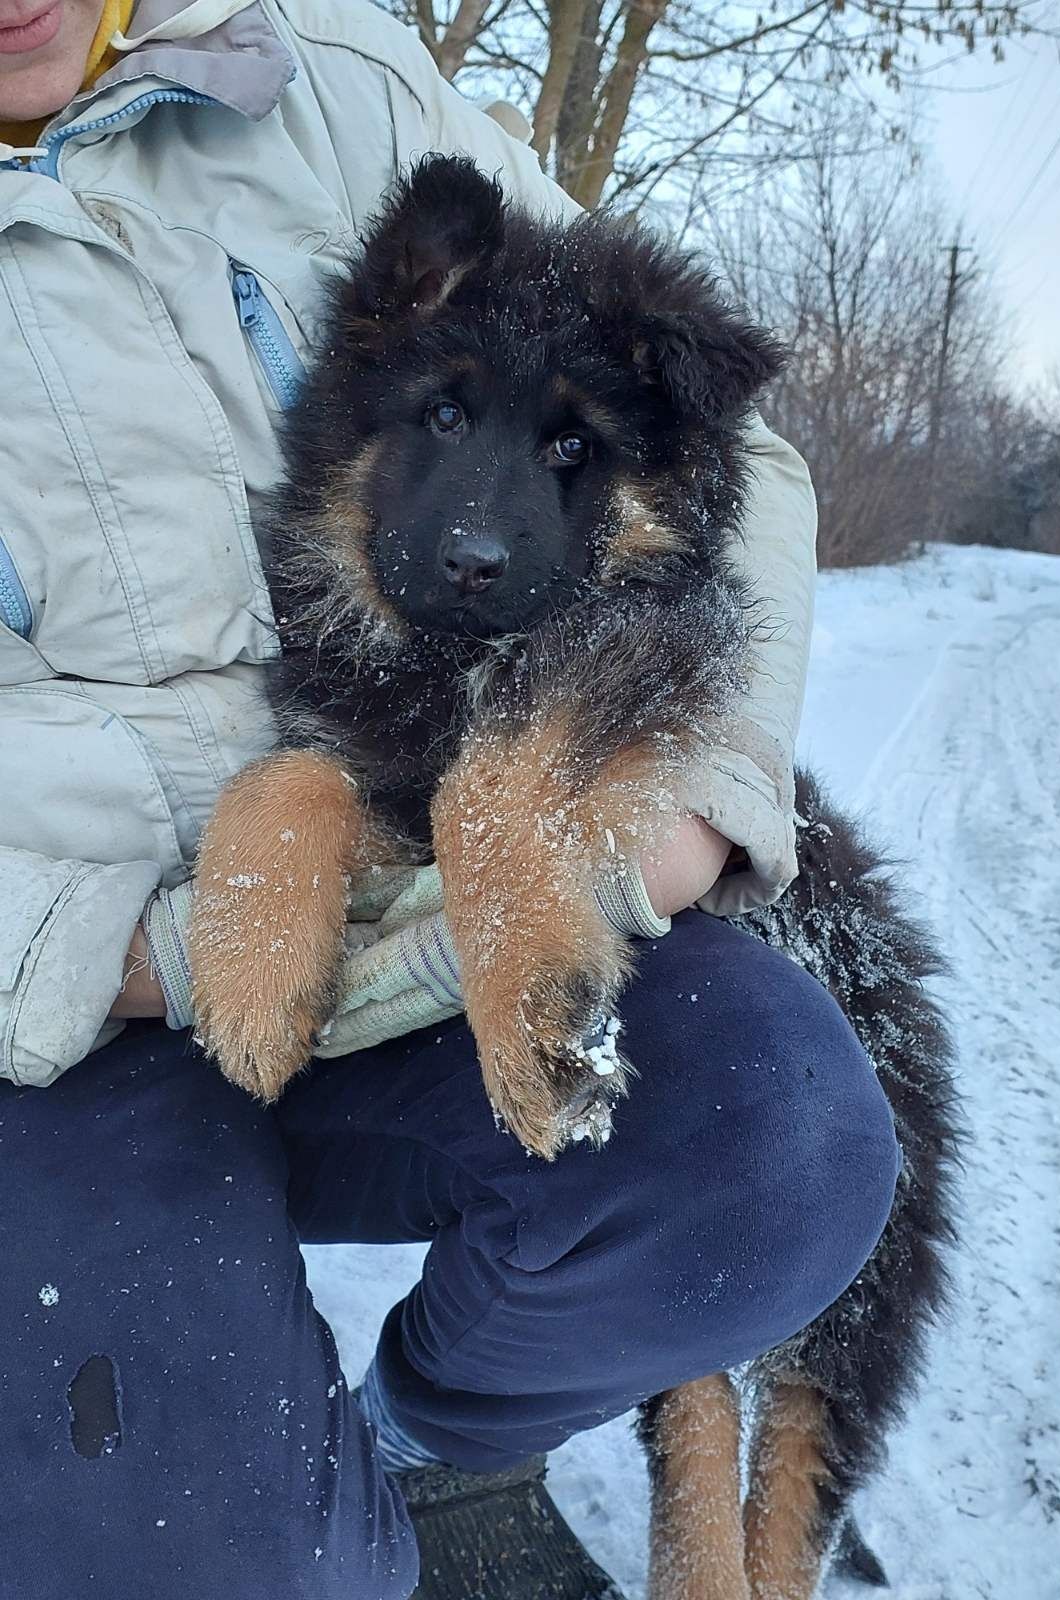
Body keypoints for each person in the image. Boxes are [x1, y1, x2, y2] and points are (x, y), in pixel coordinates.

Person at [0, 1, 901, 1595]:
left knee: (775, 1141)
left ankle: (438, 1442)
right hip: (67, 1006)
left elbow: (716, 457)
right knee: (215, 1552)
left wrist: (679, 790)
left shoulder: (320, 73)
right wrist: (123, 954)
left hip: (448, 849)